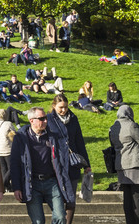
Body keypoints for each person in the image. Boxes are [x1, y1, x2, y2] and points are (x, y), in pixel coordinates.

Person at [10, 106, 74, 224]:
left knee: (60, 217)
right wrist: (17, 187)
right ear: (31, 121)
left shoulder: (53, 136)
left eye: (45, 118)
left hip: (52, 181)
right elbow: (14, 163)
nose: (45, 121)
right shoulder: (21, 138)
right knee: (38, 221)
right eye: (41, 118)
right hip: (32, 183)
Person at [47, 94, 90, 224]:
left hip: (72, 164)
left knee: (71, 200)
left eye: (65, 107)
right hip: (55, 164)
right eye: (60, 107)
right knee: (58, 200)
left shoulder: (73, 119)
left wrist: (87, 164)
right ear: (54, 106)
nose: (63, 110)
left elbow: (79, 142)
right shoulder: (48, 120)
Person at [109, 105, 139, 224]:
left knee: (127, 201)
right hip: (135, 165)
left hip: (121, 167)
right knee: (137, 200)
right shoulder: (132, 125)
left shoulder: (113, 128)